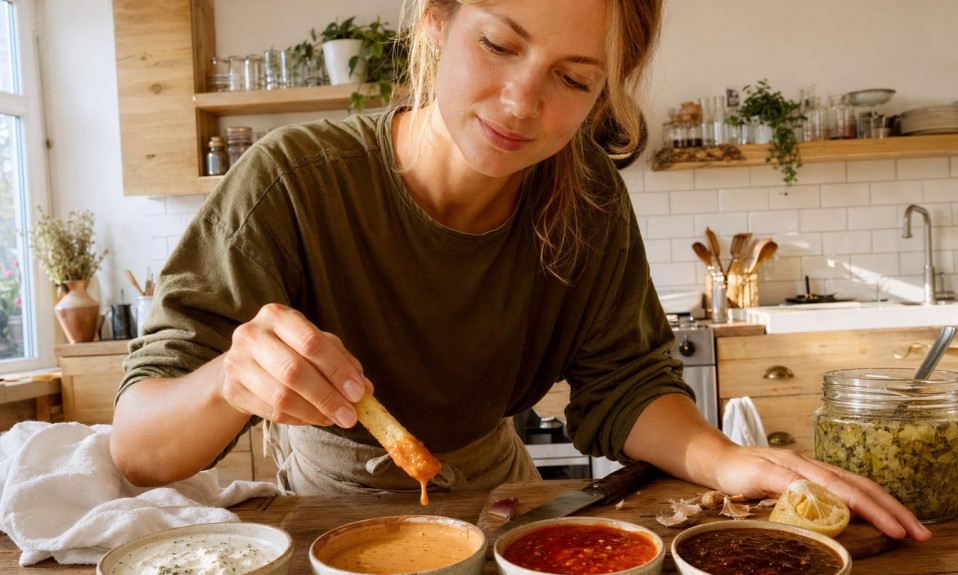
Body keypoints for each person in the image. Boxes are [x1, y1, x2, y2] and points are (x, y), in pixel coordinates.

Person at [110, 0, 930, 541]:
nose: (519, 103)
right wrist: (228, 380)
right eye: (497, 44)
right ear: (435, 21)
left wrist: (730, 460)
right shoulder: (293, 181)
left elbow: (627, 385)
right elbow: (139, 448)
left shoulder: (589, 199)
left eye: (572, 80)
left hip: (502, 492)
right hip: (326, 507)